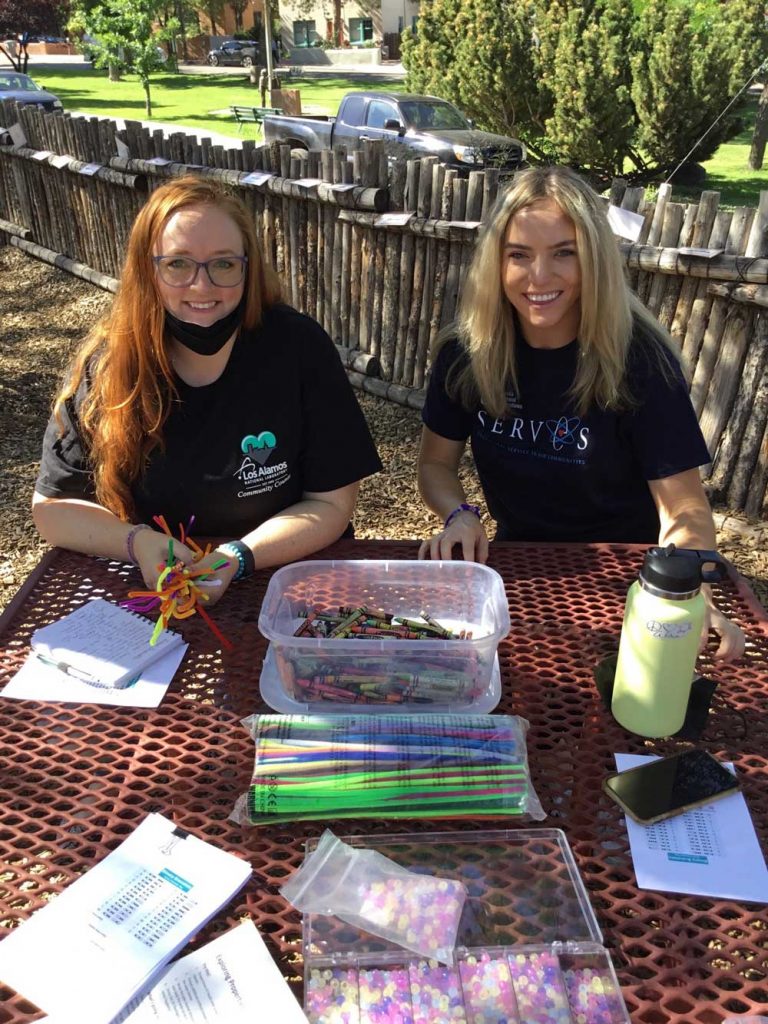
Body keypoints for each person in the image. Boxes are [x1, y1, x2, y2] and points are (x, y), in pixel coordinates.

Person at [417, 165, 743, 659]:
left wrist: (687, 591)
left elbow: (685, 508)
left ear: (594, 259)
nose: (539, 277)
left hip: (627, 579)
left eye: (564, 253)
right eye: (519, 256)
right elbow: (435, 464)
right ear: (495, 264)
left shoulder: (640, 360)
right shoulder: (466, 352)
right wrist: (459, 515)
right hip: (514, 567)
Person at [33, 176, 381, 604]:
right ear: (148, 269)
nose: (202, 285)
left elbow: (330, 506)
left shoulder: (299, 348)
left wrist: (236, 557)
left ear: (247, 268)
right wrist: (138, 543)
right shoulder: (109, 363)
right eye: (178, 263)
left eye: (223, 263)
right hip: (161, 593)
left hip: (289, 582)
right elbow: (53, 510)